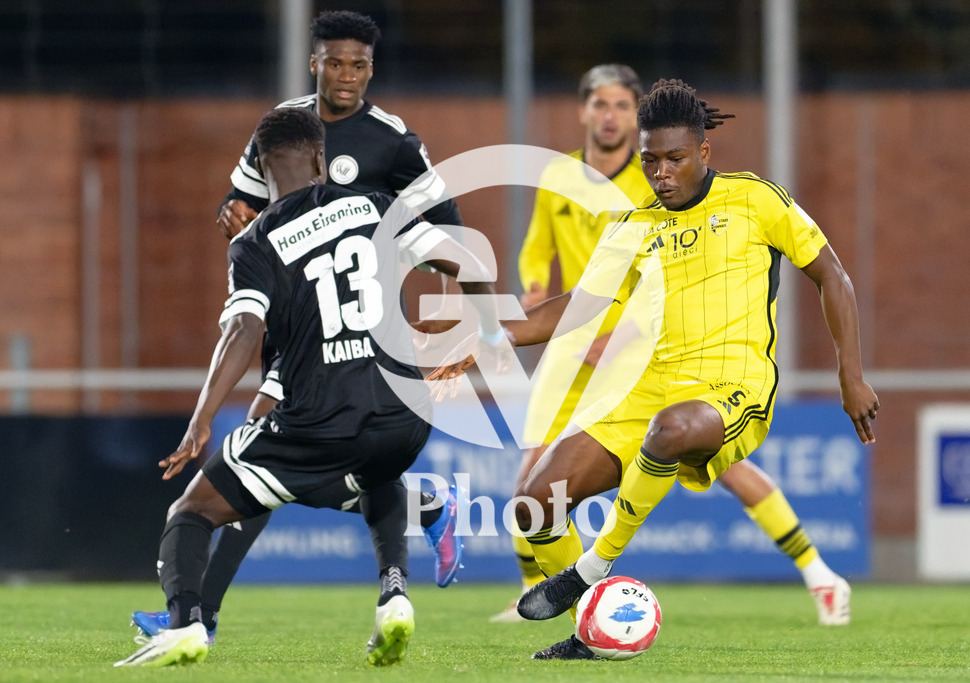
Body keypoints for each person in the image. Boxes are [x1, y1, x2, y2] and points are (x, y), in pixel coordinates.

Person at [431, 78, 878, 659]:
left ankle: (595, 564)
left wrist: (852, 374)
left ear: (704, 152)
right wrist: (492, 336)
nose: (661, 173)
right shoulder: (632, 227)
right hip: (649, 388)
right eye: (650, 162)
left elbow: (831, 275)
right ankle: (597, 627)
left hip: (732, 385)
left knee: (670, 430)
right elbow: (578, 307)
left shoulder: (755, 200)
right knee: (533, 503)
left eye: (674, 159)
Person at [115, 107, 505, 667]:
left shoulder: (253, 242)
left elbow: (245, 328)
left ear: (259, 166)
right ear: (321, 159)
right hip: (405, 413)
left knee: (193, 511)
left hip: (322, 408)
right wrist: (487, 332)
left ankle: (186, 624)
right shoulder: (373, 204)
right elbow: (464, 261)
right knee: (369, 476)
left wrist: (202, 417)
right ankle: (398, 583)